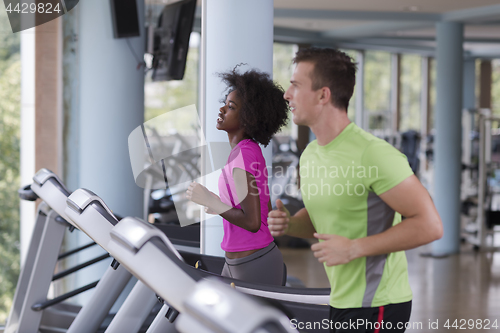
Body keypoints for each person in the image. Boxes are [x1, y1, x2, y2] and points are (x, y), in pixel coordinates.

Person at [267, 48, 443, 332]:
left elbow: (430, 225)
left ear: (323, 95)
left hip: (378, 304)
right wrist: (290, 223)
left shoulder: (373, 154)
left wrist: (353, 249)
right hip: (340, 298)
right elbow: (321, 219)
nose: (287, 94)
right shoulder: (311, 154)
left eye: (296, 85)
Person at [186, 67, 289, 286]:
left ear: (248, 117)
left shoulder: (244, 153)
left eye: (231, 107)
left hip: (254, 262)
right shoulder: (245, 151)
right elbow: (264, 209)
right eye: (225, 103)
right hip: (238, 262)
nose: (222, 109)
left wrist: (209, 200)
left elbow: (252, 222)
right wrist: (220, 206)